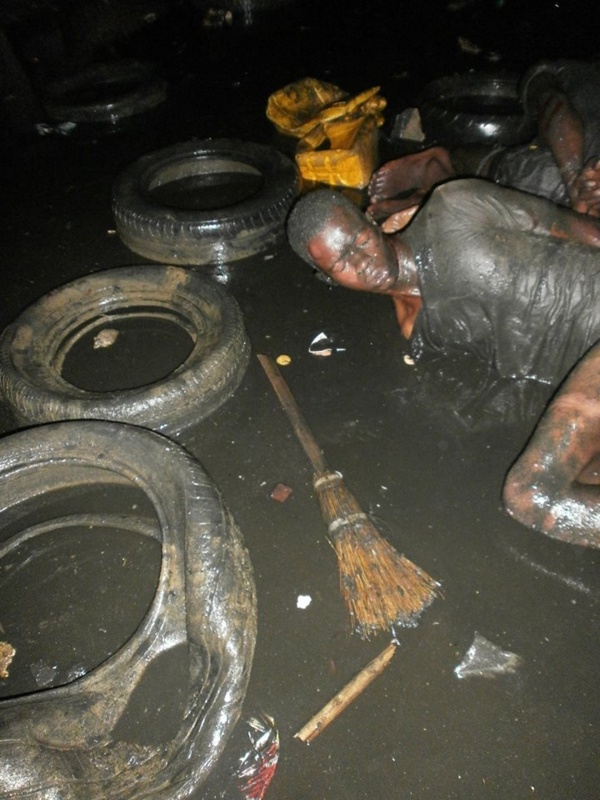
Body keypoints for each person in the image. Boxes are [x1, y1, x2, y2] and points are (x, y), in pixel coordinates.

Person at [286, 181, 600, 546]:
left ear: (373, 223)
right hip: (584, 371)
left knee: (530, 494)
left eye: (359, 241)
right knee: (580, 473)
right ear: (329, 278)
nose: (361, 262)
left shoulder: (454, 207)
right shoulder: (415, 331)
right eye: (342, 262)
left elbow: (574, 226)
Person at [368, 60, 600, 227]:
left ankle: (447, 189)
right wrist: (575, 184)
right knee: (547, 173)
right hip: (558, 78)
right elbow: (556, 104)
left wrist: (581, 219)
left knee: (549, 180)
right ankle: (446, 164)